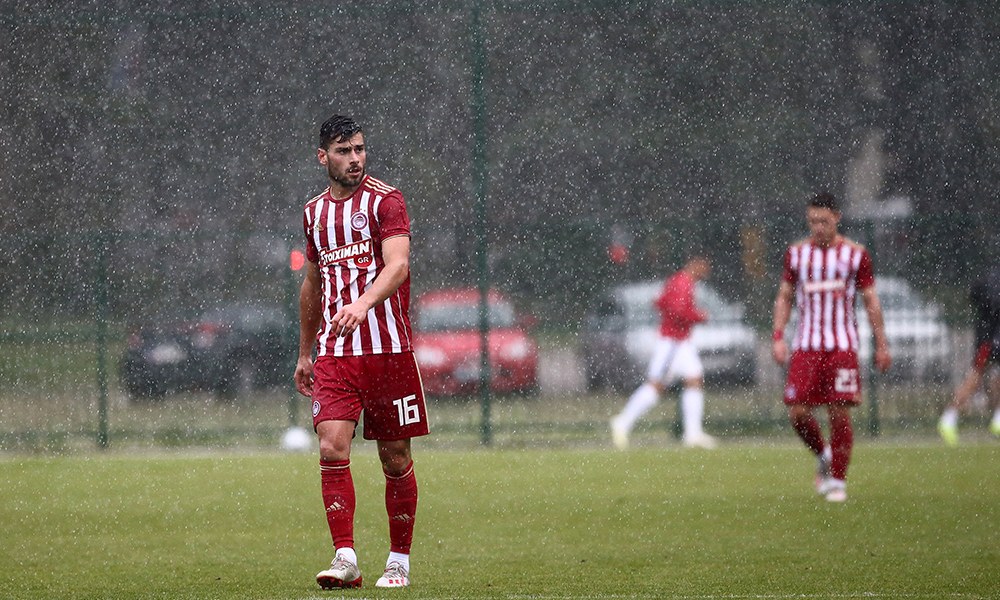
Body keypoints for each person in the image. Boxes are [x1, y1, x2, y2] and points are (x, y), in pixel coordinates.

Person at [295, 114, 429, 590]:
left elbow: (398, 265)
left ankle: (398, 561)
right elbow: (313, 284)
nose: (355, 158)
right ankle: (345, 557)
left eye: (359, 149)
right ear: (323, 157)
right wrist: (305, 352)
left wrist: (363, 303)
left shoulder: (386, 201)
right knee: (331, 445)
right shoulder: (314, 213)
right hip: (336, 353)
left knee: (394, 458)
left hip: (388, 351)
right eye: (343, 151)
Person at [771, 192, 891, 503]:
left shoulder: (855, 255)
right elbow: (785, 296)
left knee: (839, 412)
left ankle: (837, 481)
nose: (818, 227)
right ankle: (824, 455)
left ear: (837, 217)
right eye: (813, 221)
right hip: (806, 345)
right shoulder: (796, 254)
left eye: (824, 221)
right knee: (797, 412)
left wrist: (881, 343)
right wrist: (778, 336)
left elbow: (871, 300)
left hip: (842, 346)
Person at [611, 254, 718, 450]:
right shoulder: (683, 283)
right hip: (673, 343)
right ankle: (623, 421)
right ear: (695, 264)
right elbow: (677, 311)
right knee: (655, 386)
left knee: (694, 380)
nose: (707, 270)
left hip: (680, 342)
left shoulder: (677, 280)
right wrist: (699, 316)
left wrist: (674, 312)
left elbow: (659, 302)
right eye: (704, 265)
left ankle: (692, 433)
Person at [938, 265, 1000, 445]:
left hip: (988, 335)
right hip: (990, 337)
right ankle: (949, 417)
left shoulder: (990, 276)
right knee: (976, 377)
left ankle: (997, 419)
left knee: (983, 376)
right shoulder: (993, 279)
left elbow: (974, 295)